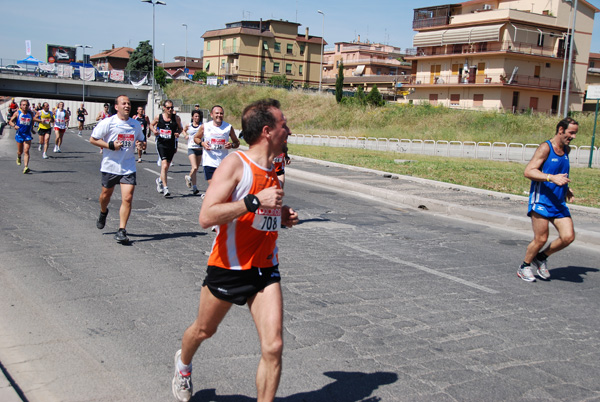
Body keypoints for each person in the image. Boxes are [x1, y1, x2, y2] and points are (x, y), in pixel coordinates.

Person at [172, 98, 298, 402]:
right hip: (228, 267)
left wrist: (280, 216)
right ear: (267, 131)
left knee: (274, 346)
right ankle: (183, 364)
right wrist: (254, 201)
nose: (289, 130)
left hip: (265, 268)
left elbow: (261, 213)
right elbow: (206, 216)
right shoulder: (235, 164)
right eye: (284, 125)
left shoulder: (274, 169)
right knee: (203, 330)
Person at [517, 117, 578, 282]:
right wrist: (551, 178)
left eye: (575, 133)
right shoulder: (545, 148)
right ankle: (524, 266)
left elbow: (560, 172)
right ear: (560, 130)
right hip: (541, 201)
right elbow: (529, 171)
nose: (573, 136)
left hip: (558, 202)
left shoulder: (566, 149)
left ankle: (541, 257)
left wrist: (566, 189)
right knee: (541, 238)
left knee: (568, 237)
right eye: (571, 132)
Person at [89, 95, 146, 244]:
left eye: (128, 103)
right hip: (110, 166)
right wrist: (110, 145)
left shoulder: (135, 124)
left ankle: (121, 230)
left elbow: (141, 140)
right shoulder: (108, 122)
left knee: (127, 198)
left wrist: (141, 145)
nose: (127, 106)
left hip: (128, 166)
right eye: (124, 103)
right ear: (116, 107)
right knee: (105, 196)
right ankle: (103, 211)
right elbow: (93, 139)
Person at [193, 105, 240, 186]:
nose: (219, 115)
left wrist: (231, 145)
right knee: (214, 185)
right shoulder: (205, 126)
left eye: (221, 113)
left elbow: (237, 143)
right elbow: (196, 138)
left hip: (223, 163)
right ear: (212, 115)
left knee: (221, 186)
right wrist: (202, 143)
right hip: (209, 161)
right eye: (217, 113)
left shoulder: (228, 127)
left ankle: (210, 197)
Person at [150, 99, 182, 197]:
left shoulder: (176, 118)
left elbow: (180, 128)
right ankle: (165, 188)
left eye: (172, 107)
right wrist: (154, 131)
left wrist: (178, 133)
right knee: (164, 165)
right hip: (161, 144)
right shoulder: (159, 117)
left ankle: (159, 180)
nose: (170, 109)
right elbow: (151, 125)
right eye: (168, 108)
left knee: (167, 166)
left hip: (171, 144)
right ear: (164, 108)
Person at [8, 99, 34, 173]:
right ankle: (19, 156)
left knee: (26, 150)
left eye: (26, 105)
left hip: (27, 135)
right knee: (20, 151)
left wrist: (32, 129)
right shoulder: (17, 113)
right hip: (20, 134)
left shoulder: (31, 113)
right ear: (21, 106)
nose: (25, 106)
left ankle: (26, 167)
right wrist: (14, 126)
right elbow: (10, 121)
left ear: (28, 106)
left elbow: (32, 121)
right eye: (23, 105)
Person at [182, 109, 203, 195]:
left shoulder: (202, 126)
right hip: (191, 148)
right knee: (194, 167)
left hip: (199, 148)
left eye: (198, 116)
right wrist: (185, 135)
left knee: (196, 169)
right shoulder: (189, 125)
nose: (197, 118)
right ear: (192, 117)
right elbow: (184, 130)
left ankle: (194, 187)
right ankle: (189, 178)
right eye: (195, 116)